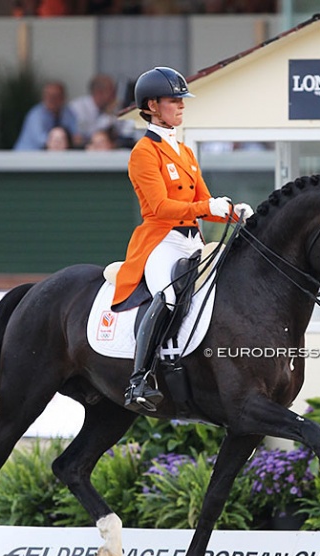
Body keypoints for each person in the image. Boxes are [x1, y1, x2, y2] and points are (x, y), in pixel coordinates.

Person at [111, 66, 252, 411]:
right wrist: (208, 204)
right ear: (152, 106)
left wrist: (234, 212)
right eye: (174, 100)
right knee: (170, 296)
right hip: (162, 240)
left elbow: (203, 203)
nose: (181, 105)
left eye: (181, 99)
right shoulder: (144, 152)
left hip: (192, 239)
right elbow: (160, 206)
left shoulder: (186, 152)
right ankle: (139, 380)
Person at [13, 81, 78, 151]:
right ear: (43, 97)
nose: (52, 99)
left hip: (54, 156)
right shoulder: (36, 115)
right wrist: (59, 141)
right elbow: (41, 140)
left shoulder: (67, 112)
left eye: (56, 96)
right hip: (27, 154)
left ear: (63, 98)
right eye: (49, 96)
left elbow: (76, 135)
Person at [69, 74, 121, 148]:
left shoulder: (113, 107)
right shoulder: (78, 108)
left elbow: (120, 131)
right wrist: (107, 115)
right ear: (99, 92)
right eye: (112, 92)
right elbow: (86, 135)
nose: (114, 96)